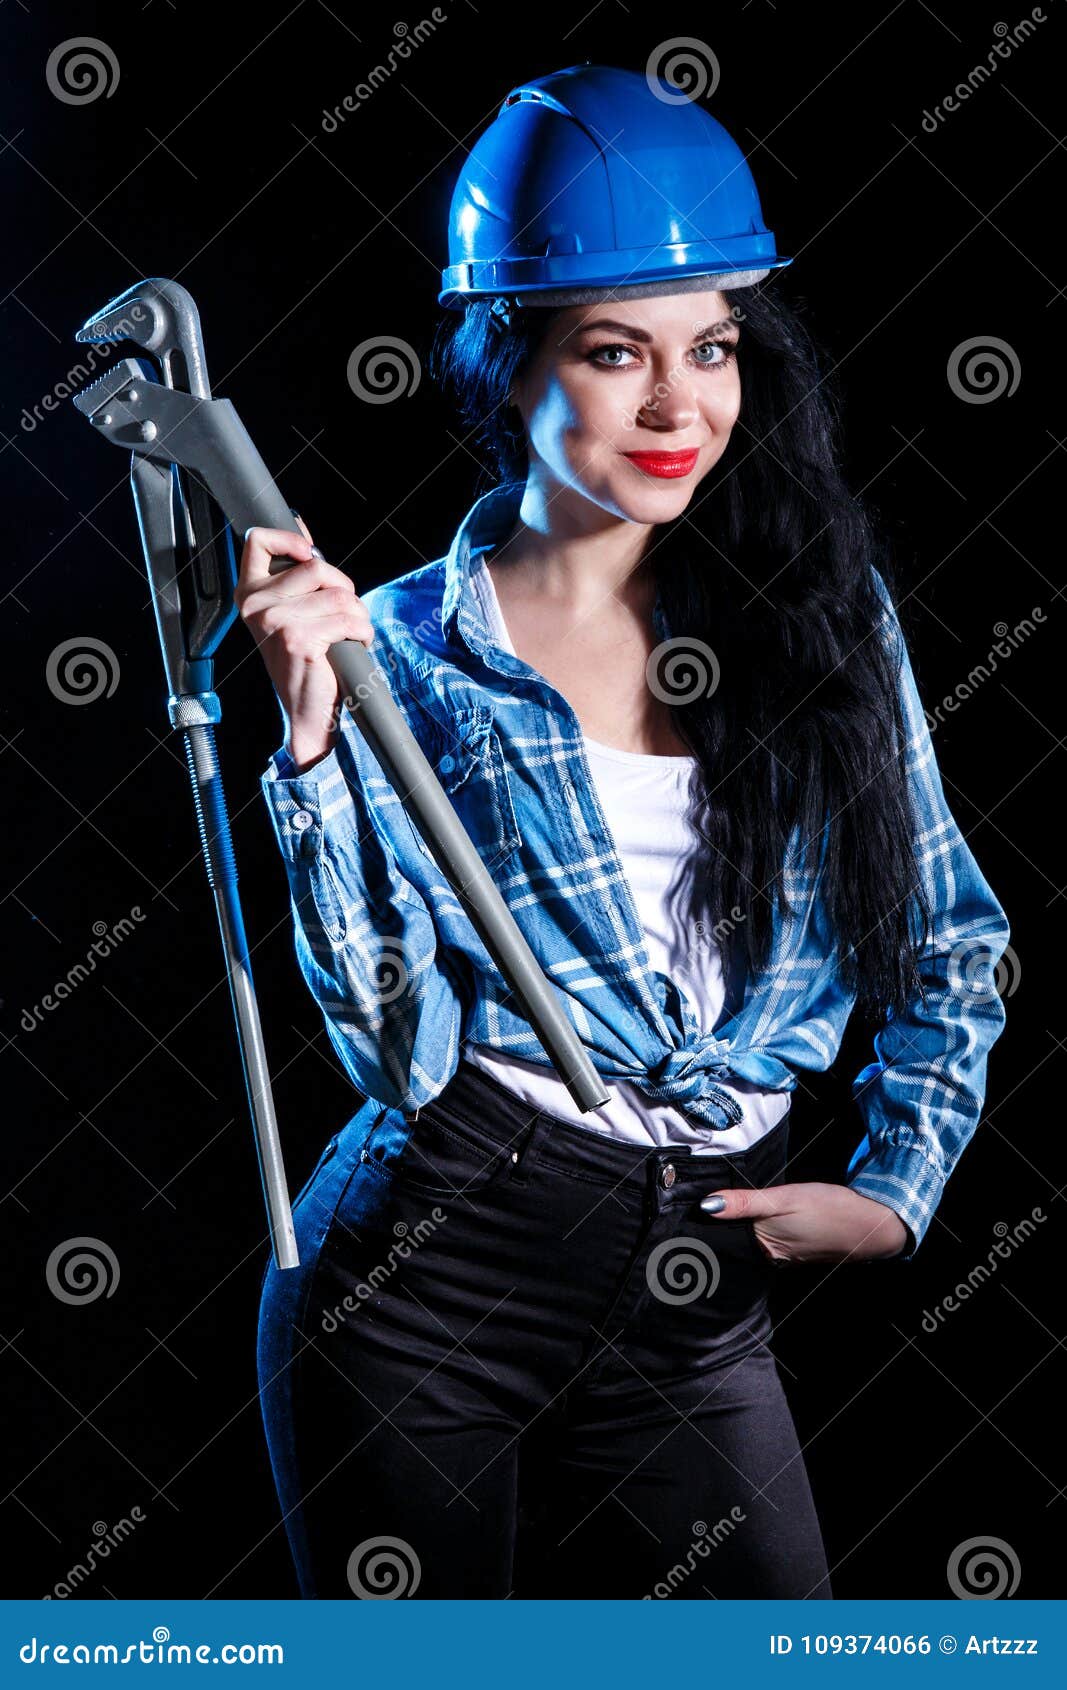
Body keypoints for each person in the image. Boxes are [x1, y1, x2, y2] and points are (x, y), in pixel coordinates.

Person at [245, 64, 1010, 1600]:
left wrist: (897, 1184)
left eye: (712, 347)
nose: (681, 406)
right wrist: (317, 743)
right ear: (502, 360)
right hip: (430, 1274)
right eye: (614, 352)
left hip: (699, 1289)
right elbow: (398, 1056)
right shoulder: (399, 656)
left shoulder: (820, 615)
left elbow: (952, 933)